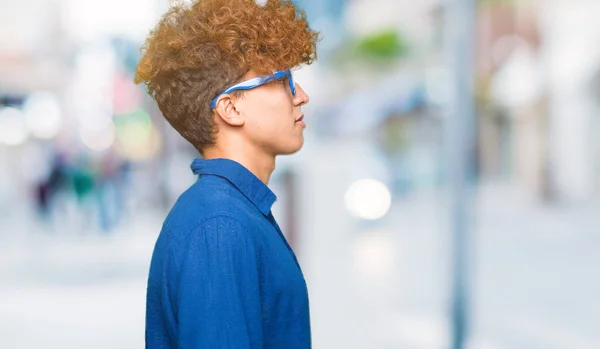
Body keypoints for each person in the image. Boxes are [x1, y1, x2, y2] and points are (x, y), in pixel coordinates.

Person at [134, 0, 319, 348]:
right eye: (283, 81)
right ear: (231, 108)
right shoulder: (220, 226)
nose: (301, 96)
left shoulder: (231, 212)